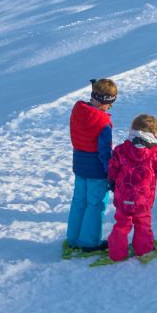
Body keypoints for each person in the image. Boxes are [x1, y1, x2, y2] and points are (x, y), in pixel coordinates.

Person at [101, 114, 157, 263]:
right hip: (143, 200)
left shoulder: (121, 149)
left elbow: (113, 168)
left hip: (123, 198)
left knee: (121, 225)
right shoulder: (156, 153)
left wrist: (112, 181)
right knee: (143, 225)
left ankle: (117, 253)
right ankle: (144, 249)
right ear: (153, 133)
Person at [63, 78, 118, 256]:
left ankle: (73, 238)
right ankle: (89, 242)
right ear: (107, 102)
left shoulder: (78, 110)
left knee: (79, 201)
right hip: (96, 170)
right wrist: (110, 173)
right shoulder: (104, 124)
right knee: (95, 204)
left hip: (79, 164)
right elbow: (104, 153)